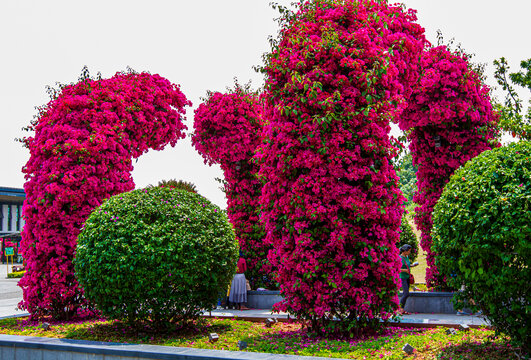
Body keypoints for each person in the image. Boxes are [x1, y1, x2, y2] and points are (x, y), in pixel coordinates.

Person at [399, 244, 418, 315]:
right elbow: (397, 268)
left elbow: (407, 265)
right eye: (408, 251)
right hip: (402, 277)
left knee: (405, 293)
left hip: (407, 277)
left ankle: (402, 309)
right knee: (406, 293)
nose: (409, 252)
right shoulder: (400, 258)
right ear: (404, 251)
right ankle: (400, 309)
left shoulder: (406, 257)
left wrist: (412, 265)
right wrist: (404, 270)